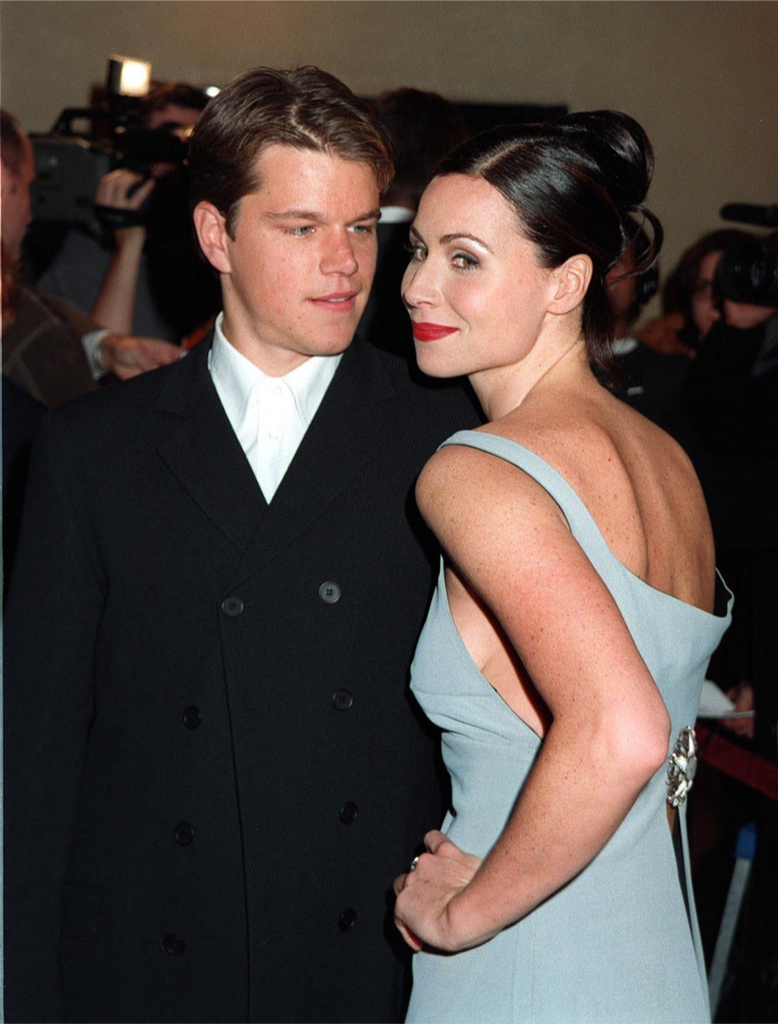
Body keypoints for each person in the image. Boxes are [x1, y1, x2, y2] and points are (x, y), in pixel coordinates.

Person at [3, 66, 478, 1024]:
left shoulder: (447, 438)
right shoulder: (92, 449)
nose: (344, 264)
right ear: (216, 234)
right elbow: (33, 761)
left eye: (361, 228)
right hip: (146, 959)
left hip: (366, 958)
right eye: (301, 229)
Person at [391, 111, 732, 1023]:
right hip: (652, 949)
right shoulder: (665, 459)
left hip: (525, 961)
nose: (417, 286)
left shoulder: (476, 472)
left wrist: (461, 916)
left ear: (568, 282)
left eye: (464, 259)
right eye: (418, 249)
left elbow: (625, 731)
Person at [1, 108, 180, 403]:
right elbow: (84, 415)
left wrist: (106, 349)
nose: (31, 209)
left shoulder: (24, 305)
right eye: (27, 187)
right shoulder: (31, 324)